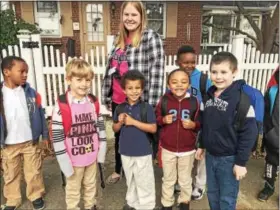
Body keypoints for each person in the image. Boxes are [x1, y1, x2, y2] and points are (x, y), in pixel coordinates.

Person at [101, 0, 165, 184]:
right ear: (121, 17)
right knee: (121, 135)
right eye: (126, 14)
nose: (129, 18)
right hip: (118, 99)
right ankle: (118, 169)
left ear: (141, 16)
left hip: (139, 101)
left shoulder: (150, 38)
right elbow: (110, 70)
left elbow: (157, 71)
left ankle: (142, 176)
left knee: (141, 137)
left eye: (134, 14)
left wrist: (150, 105)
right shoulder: (118, 39)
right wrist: (106, 94)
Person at [195, 52, 258, 210]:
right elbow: (205, 124)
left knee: (227, 199)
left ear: (234, 72)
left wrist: (240, 162)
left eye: (224, 72)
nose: (218, 76)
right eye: (214, 72)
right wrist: (201, 145)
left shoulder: (242, 100)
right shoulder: (208, 97)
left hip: (229, 160)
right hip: (210, 156)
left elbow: (249, 133)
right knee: (212, 195)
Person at [51, 59, 107, 210]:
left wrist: (100, 153)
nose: (84, 84)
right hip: (72, 159)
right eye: (79, 79)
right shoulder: (62, 105)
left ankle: (90, 206)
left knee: (90, 186)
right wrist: (64, 162)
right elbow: (57, 137)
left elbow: (100, 128)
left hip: (91, 157)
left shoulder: (93, 102)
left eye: (87, 80)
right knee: (73, 190)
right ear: (68, 79)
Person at [0, 56, 49, 210]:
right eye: (21, 71)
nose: (25, 75)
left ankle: (35, 195)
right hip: (8, 144)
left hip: (30, 141)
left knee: (33, 171)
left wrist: (45, 136)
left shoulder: (31, 93)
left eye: (26, 72)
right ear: (6, 72)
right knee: (10, 173)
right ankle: (13, 199)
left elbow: (41, 114)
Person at [156, 69, 201, 210]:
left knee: (185, 180)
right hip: (167, 148)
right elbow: (156, 119)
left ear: (189, 85)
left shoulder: (194, 102)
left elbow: (200, 124)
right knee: (168, 179)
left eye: (183, 82)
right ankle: (167, 204)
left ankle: (184, 202)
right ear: (169, 85)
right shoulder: (163, 100)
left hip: (187, 150)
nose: (179, 85)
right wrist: (163, 119)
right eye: (174, 82)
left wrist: (193, 124)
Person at [112, 70, 157, 210]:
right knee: (130, 179)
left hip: (143, 151)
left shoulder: (146, 108)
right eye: (130, 88)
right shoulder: (120, 108)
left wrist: (133, 122)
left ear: (142, 89)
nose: (134, 91)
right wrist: (119, 123)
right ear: (124, 90)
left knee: (145, 181)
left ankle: (147, 206)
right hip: (125, 151)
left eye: (137, 88)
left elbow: (153, 129)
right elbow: (115, 129)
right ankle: (132, 203)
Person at [174, 45, 211, 200]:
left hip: (200, 123)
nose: (189, 65)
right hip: (182, 124)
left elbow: (212, 100)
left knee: (201, 155)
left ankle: (200, 185)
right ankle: (183, 181)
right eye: (185, 62)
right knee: (184, 154)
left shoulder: (203, 80)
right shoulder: (175, 77)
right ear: (177, 62)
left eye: (192, 62)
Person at [258, 68, 279, 201]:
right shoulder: (273, 91)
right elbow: (265, 112)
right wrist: (268, 131)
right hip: (275, 135)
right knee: (271, 162)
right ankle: (269, 186)